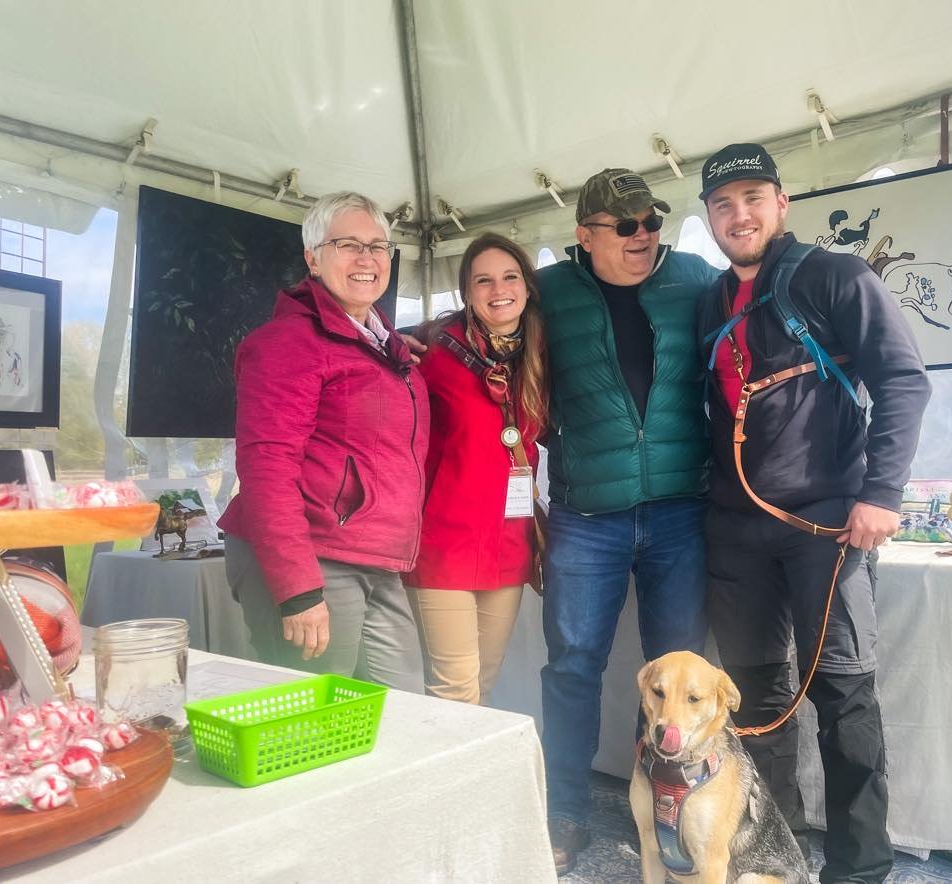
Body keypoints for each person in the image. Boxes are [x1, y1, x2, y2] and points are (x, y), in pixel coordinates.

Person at [695, 144, 931, 883]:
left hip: (824, 524)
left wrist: (881, 494)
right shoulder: (707, 300)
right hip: (734, 531)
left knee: (842, 692)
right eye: (723, 204)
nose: (739, 215)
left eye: (752, 198)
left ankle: (859, 868)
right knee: (756, 700)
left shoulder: (833, 275)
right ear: (707, 217)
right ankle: (775, 857)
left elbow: (902, 380)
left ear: (780, 203)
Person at [536, 168, 719, 875]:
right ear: (584, 236)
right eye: (624, 225)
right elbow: (486, 333)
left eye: (650, 221)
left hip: (679, 510)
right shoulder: (547, 292)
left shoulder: (695, 278)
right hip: (587, 515)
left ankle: (677, 815)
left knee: (680, 676)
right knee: (573, 668)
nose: (642, 235)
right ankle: (566, 812)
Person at [219, 191, 427, 692]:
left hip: (375, 560)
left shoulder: (382, 346)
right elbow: (267, 466)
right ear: (313, 257)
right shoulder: (286, 344)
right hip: (313, 556)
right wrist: (296, 590)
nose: (367, 259)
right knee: (308, 721)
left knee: (405, 713)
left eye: (379, 247)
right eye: (349, 245)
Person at [403, 233, 545, 705]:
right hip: (445, 543)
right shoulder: (434, 354)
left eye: (509, 277)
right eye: (483, 280)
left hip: (507, 543)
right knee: (454, 692)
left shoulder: (539, 354)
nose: (497, 289)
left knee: (482, 684)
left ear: (526, 285)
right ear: (467, 292)